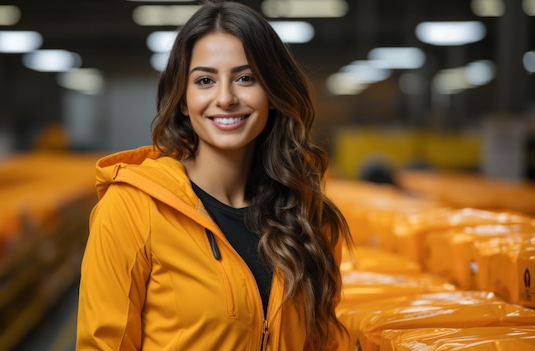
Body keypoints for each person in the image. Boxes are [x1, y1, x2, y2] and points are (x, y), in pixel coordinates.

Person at [76, 1, 352, 350]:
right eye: (205, 80)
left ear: (272, 92)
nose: (225, 98)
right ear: (182, 99)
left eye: (245, 78)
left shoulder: (308, 217)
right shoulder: (130, 210)